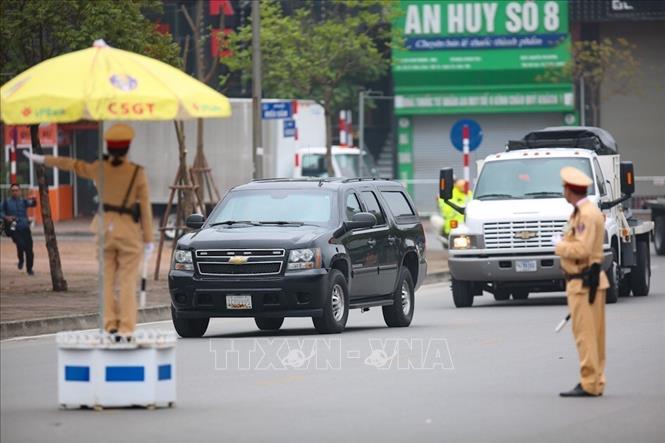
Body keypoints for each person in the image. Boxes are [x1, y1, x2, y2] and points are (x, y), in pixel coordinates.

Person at [24, 124, 154, 337]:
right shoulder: (137, 173)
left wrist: (42, 158)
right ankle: (126, 328)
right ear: (128, 147)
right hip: (128, 232)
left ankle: (110, 324)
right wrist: (149, 239)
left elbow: (72, 164)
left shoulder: (99, 168)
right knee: (128, 282)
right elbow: (145, 207)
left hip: (105, 230)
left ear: (109, 147)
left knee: (106, 280)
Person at [553, 166, 608, 397]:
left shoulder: (585, 214)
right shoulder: (582, 211)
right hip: (589, 281)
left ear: (570, 190)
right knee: (594, 335)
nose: (563, 191)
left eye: (565, 188)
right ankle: (595, 381)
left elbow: (582, 248)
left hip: (583, 281)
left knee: (585, 335)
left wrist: (559, 245)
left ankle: (589, 382)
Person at [1, 183, 36, 275]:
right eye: (13, 190)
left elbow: (33, 204)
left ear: (19, 191)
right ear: (10, 192)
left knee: (29, 250)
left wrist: (34, 198)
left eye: (16, 190)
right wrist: (6, 217)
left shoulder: (23, 201)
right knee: (20, 244)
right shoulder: (6, 202)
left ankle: (29, 269)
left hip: (24, 227)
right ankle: (21, 259)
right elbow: (1, 212)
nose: (15, 192)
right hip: (14, 227)